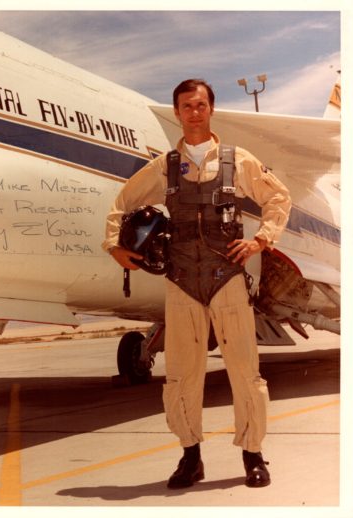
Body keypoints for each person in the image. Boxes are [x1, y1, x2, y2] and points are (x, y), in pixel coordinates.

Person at [102, 79, 291, 489]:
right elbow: (122, 203)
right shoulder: (164, 167)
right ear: (177, 113)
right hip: (182, 280)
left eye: (201, 104)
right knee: (182, 375)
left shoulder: (236, 161)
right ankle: (191, 458)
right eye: (186, 106)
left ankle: (253, 455)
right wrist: (114, 246)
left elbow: (278, 198)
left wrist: (261, 239)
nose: (194, 112)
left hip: (227, 279)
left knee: (245, 372)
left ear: (211, 110)